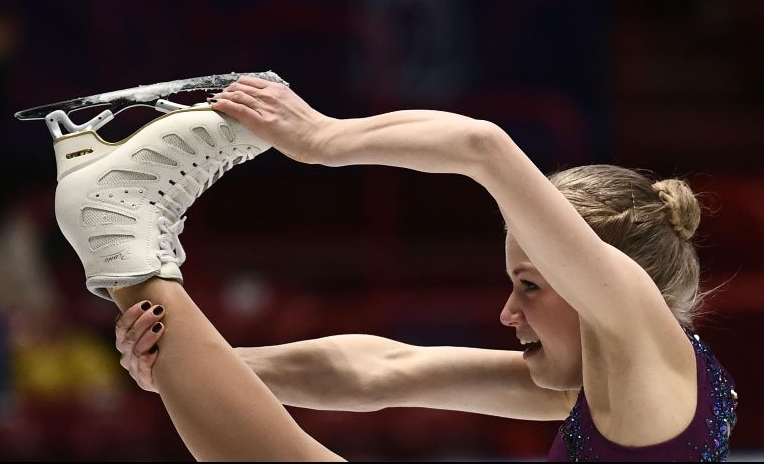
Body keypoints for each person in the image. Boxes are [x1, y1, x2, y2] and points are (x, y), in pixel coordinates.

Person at [75, 76, 737, 461]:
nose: (508, 312)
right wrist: (192, 369)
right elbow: (380, 371)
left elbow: (485, 147)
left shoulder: (646, 352)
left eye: (530, 284)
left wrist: (323, 139)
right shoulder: (612, 387)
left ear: (604, 278)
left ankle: (117, 218)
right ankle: (119, 228)